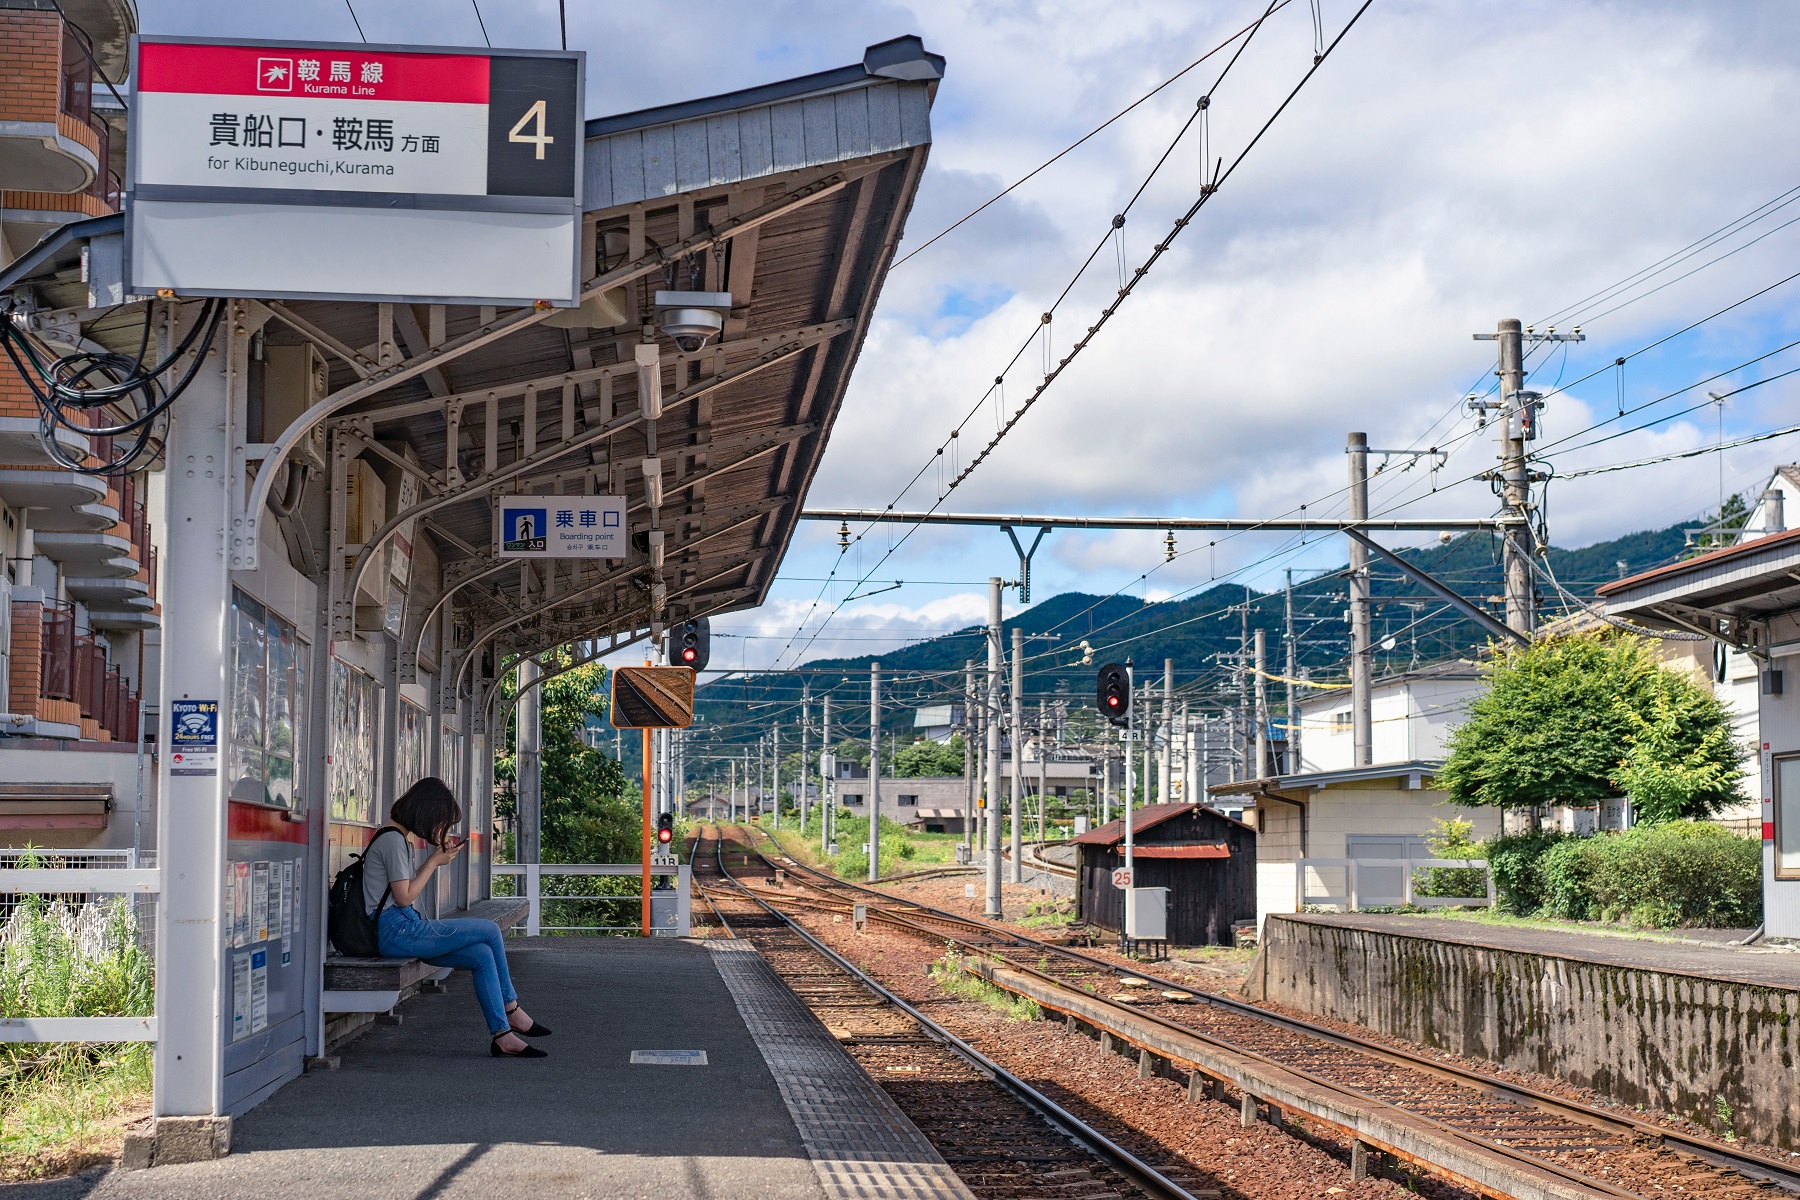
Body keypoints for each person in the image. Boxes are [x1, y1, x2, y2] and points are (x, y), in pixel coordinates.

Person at [365, 777, 551, 1058]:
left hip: (402, 928)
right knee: (488, 930)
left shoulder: (395, 837)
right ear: (425, 813)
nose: (440, 830)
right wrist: (432, 863)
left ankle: (502, 1036)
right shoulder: (392, 840)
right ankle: (512, 1009)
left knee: (480, 955)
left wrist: (432, 862)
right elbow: (404, 897)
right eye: (440, 822)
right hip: (396, 931)